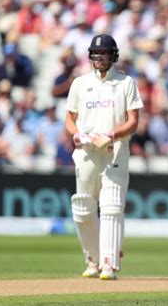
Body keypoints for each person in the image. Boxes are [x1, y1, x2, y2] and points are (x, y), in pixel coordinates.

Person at [64, 34, 143, 280]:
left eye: (104, 54)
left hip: (114, 151)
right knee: (83, 207)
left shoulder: (125, 82)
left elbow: (133, 122)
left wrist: (111, 135)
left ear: (113, 56)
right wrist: (76, 135)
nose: (100, 58)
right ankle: (92, 260)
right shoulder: (80, 83)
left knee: (111, 207)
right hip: (86, 152)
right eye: (96, 54)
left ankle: (108, 263)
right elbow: (69, 119)